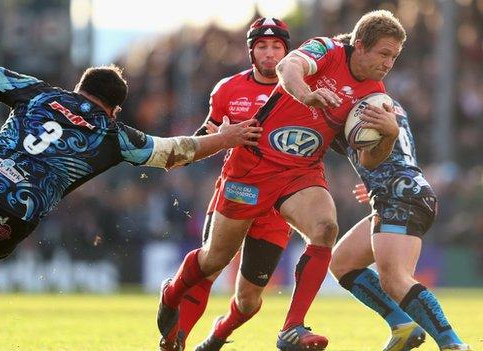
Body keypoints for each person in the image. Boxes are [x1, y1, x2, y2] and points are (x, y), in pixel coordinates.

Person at [0, 64, 262, 351]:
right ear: (115, 109)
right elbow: (175, 152)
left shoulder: (39, 92)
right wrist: (227, 137)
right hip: (18, 211)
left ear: (78, 88)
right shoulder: (114, 135)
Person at [157, 10, 406, 351]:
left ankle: (292, 327)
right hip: (253, 169)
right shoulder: (326, 50)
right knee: (214, 259)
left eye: (394, 56)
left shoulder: (375, 94)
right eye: (384, 54)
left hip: (300, 172)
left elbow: (368, 157)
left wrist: (389, 136)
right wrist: (306, 95)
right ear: (360, 46)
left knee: (324, 229)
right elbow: (288, 69)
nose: (389, 63)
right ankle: (172, 294)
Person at [174, 18, 327, 351]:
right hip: (237, 189)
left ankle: (217, 336)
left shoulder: (305, 89)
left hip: (278, 206)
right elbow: (206, 135)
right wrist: (211, 141)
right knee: (209, 266)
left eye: (276, 47)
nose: (270, 54)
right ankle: (175, 341)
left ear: (287, 52)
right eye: (262, 47)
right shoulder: (227, 89)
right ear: (251, 51)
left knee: (247, 299)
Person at [329, 98, 472, 350]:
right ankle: (403, 325)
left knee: (395, 279)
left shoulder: (362, 103)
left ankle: (453, 344)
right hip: (399, 191)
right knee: (343, 262)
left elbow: (369, 158)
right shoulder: (385, 101)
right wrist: (375, 181)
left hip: (397, 195)